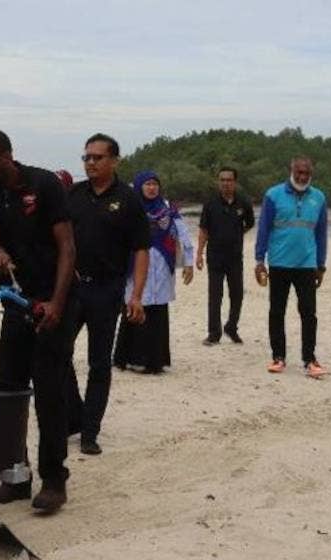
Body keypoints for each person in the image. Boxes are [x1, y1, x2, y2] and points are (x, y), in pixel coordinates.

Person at [0, 130, 76, 512]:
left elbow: (67, 246)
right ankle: (16, 479)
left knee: (49, 393)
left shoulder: (44, 184)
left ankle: (53, 480)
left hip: (53, 301)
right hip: (16, 303)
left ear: (7, 156)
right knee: (10, 393)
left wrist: (57, 303)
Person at [66, 133, 149, 456]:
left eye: (97, 157)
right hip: (72, 288)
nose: (90, 163)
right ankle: (73, 416)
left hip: (106, 289)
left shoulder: (128, 200)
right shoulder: (72, 195)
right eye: (86, 157)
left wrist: (137, 295)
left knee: (99, 363)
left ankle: (89, 431)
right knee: (57, 354)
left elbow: (141, 249)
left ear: (114, 161)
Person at [113, 171, 194, 373]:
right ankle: (130, 358)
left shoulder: (168, 209)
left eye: (155, 184)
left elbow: (183, 233)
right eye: (147, 184)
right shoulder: (130, 207)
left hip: (161, 266)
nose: (151, 188)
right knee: (135, 305)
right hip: (135, 264)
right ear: (139, 186)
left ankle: (155, 360)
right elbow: (115, 234)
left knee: (157, 310)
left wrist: (189, 262)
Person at [254, 156, 328, 378]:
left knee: (309, 313)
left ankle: (309, 359)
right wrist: (259, 260)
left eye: (307, 173)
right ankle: (278, 357)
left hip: (307, 265)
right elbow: (264, 229)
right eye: (299, 172)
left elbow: (321, 234)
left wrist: (321, 265)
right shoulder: (273, 195)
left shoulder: (319, 197)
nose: (303, 177)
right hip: (278, 263)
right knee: (277, 312)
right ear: (291, 170)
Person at [197, 167, 254, 345]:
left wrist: (236, 234)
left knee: (237, 294)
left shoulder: (244, 202)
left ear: (235, 182)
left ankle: (231, 327)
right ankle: (214, 333)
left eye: (229, 180)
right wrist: (199, 253)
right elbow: (204, 230)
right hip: (215, 256)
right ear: (218, 181)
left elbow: (249, 223)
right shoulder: (210, 203)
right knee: (215, 296)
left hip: (235, 257)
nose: (225, 183)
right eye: (222, 180)